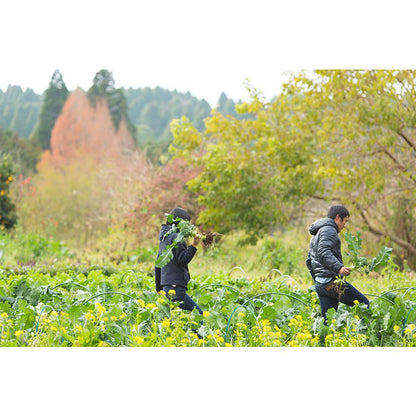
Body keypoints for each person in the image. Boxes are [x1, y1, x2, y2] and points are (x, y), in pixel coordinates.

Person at [306, 205, 370, 322]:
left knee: (329, 322)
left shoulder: (316, 233)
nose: (344, 225)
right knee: (364, 304)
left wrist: (318, 280)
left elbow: (309, 260)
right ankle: (366, 336)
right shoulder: (329, 230)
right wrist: (339, 268)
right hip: (331, 283)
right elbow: (324, 252)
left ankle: (326, 340)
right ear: (337, 217)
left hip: (321, 284)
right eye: (345, 221)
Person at [155, 207, 203, 315]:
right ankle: (197, 332)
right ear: (181, 223)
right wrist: (194, 245)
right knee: (196, 316)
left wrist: (158, 287)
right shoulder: (177, 238)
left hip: (167, 287)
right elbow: (183, 260)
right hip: (176, 288)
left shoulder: (164, 239)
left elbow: (158, 264)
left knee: (181, 318)